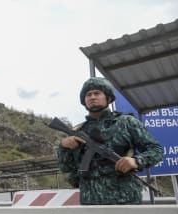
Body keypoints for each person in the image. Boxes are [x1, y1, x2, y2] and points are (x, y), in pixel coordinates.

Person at [57, 77, 164, 205]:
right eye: (88, 94)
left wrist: (136, 161)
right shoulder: (79, 130)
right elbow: (66, 167)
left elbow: (156, 150)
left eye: (97, 93)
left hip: (125, 199)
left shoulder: (126, 122)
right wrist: (63, 146)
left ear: (108, 97)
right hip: (90, 201)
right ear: (84, 100)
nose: (92, 97)